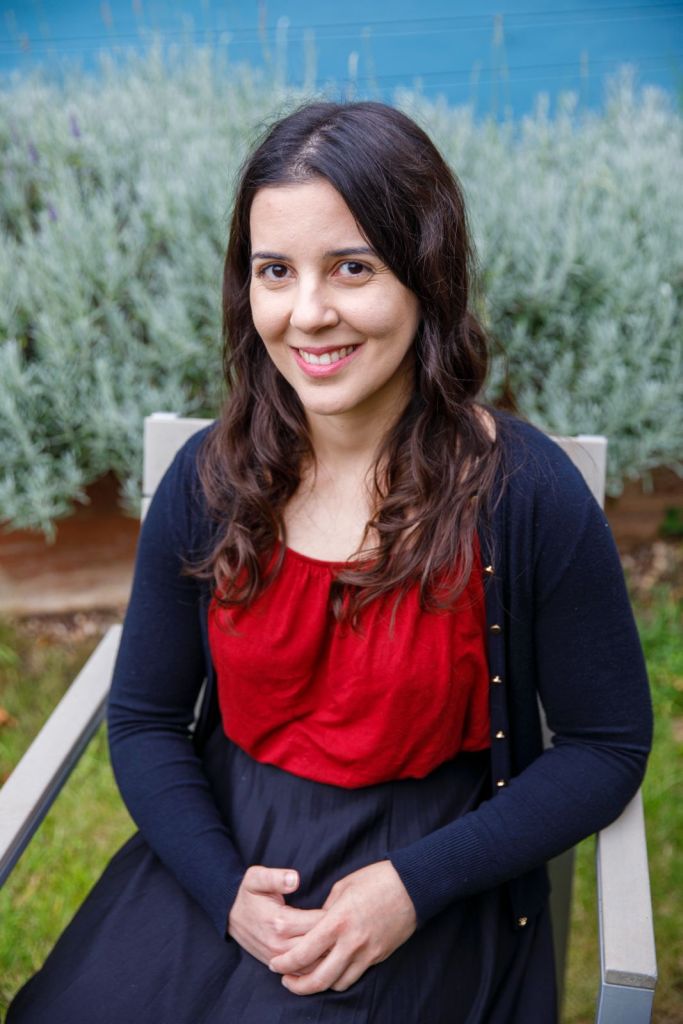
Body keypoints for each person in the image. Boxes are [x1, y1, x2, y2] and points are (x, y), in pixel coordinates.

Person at [8, 101, 652, 1024]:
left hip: (426, 871)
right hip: (218, 852)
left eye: (352, 268)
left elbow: (606, 746)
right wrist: (226, 888)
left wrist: (409, 888)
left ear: (424, 275)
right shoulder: (211, 481)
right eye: (276, 271)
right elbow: (147, 718)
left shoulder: (522, 494)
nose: (308, 314)